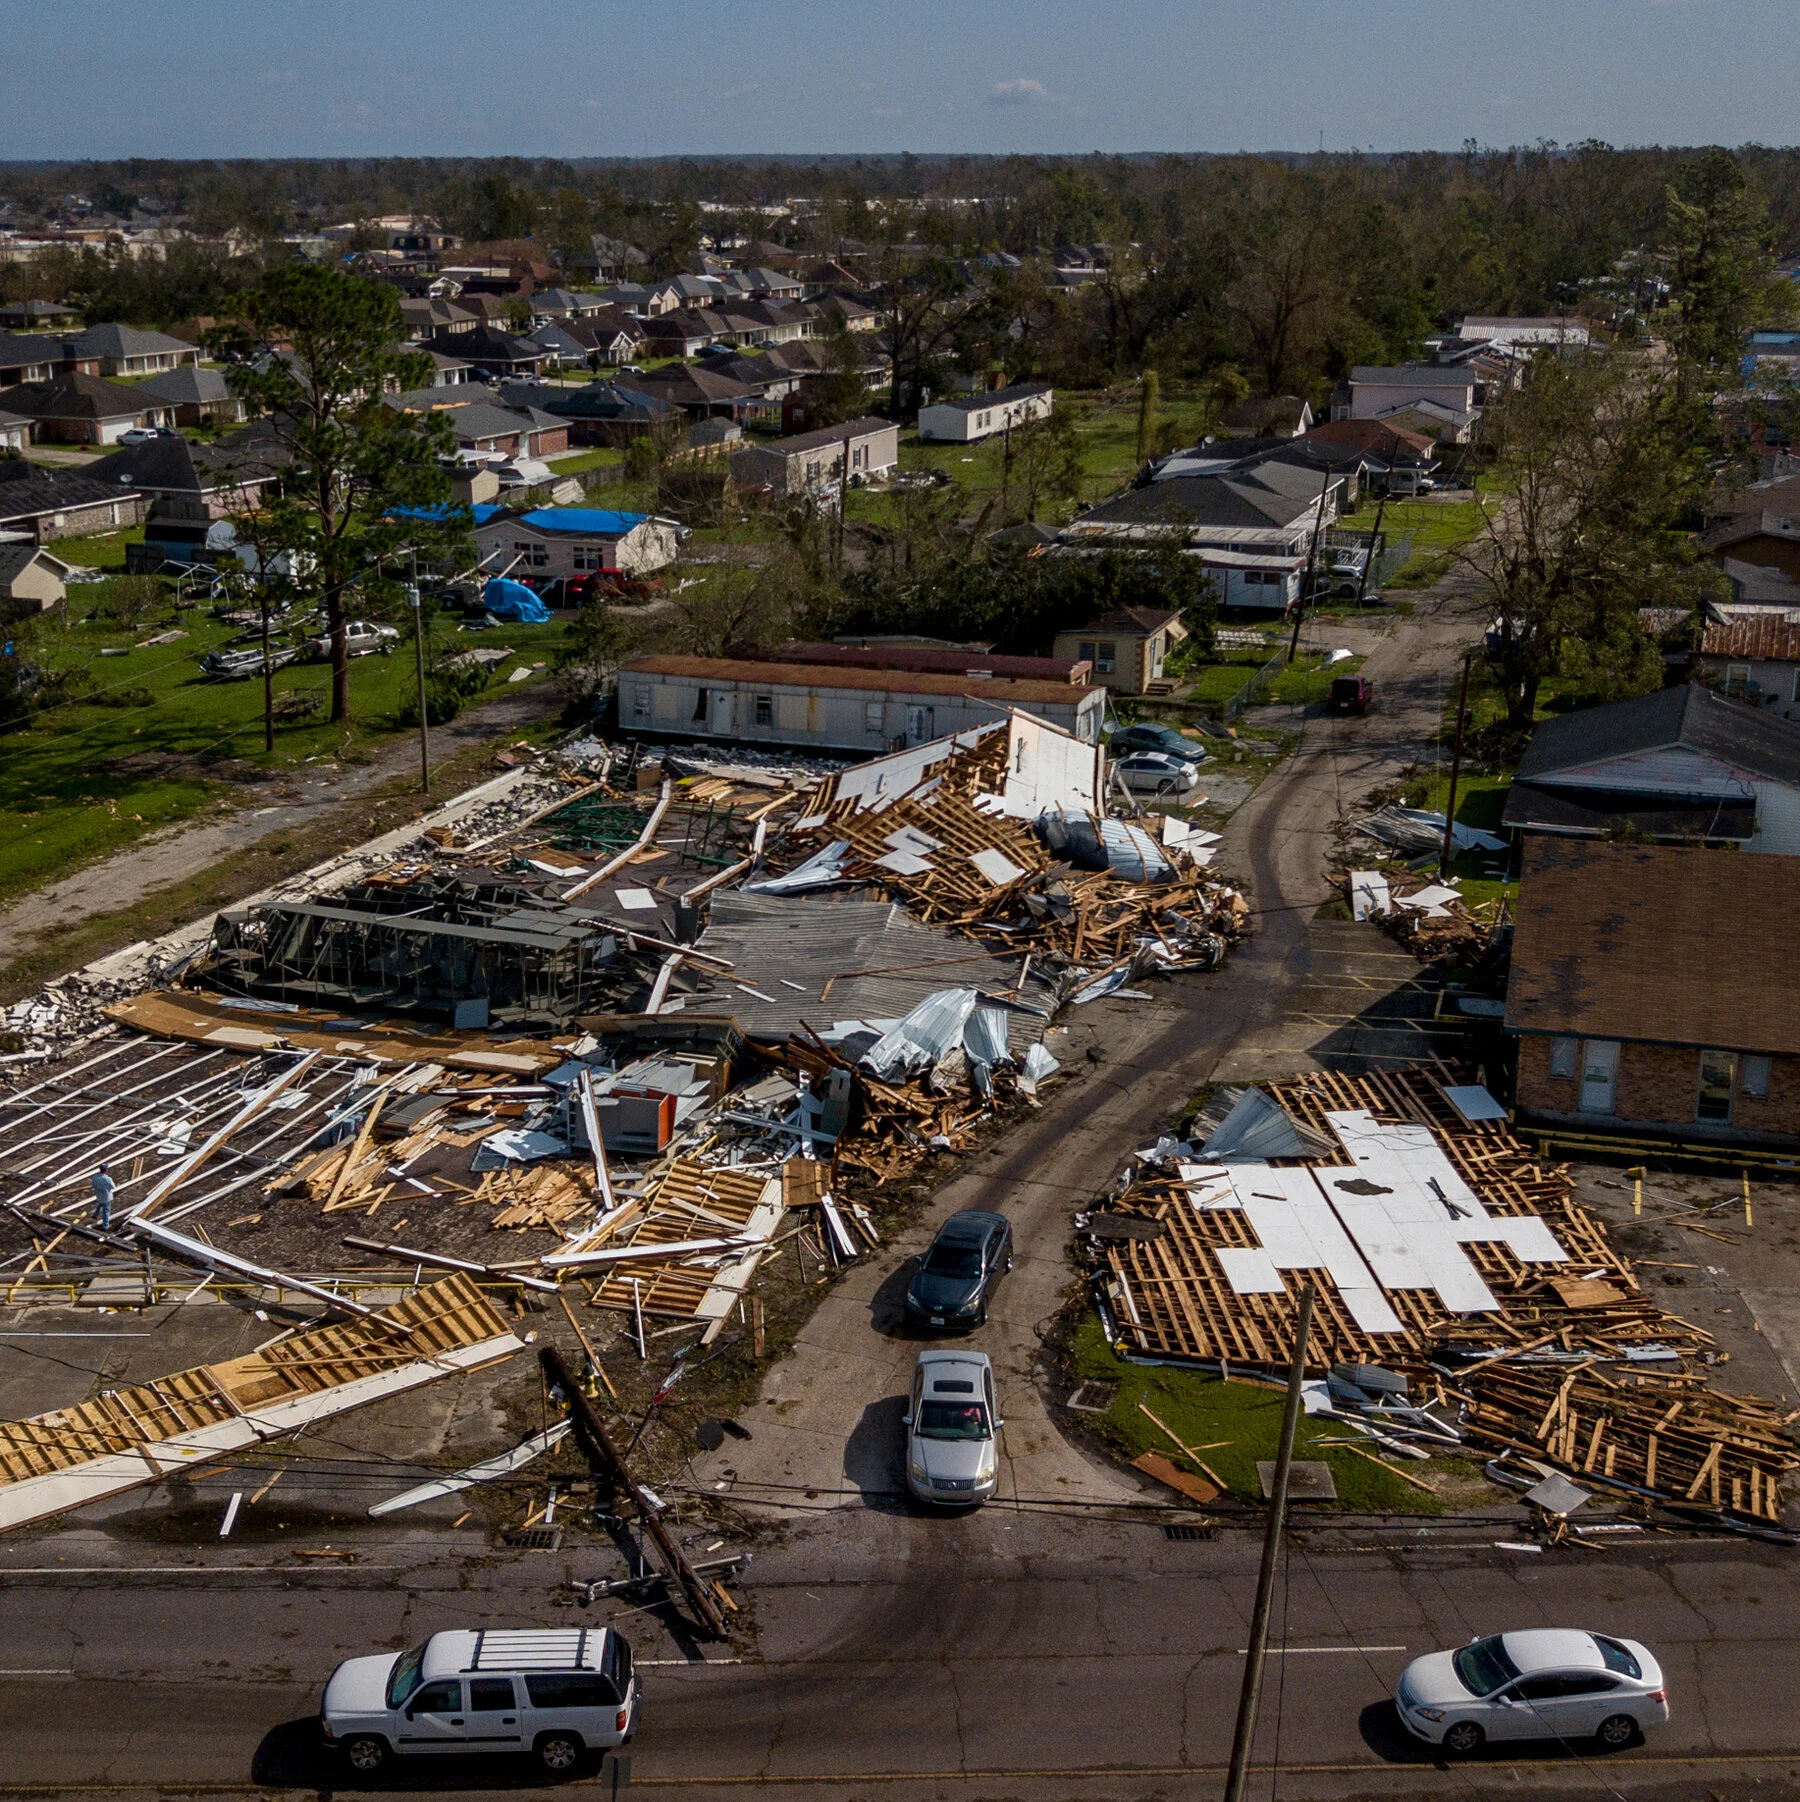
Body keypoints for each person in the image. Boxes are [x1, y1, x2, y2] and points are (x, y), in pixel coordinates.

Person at [90, 1165, 116, 1231]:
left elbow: (93, 1185)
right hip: (107, 1197)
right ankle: (105, 1226)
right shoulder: (108, 1179)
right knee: (106, 1212)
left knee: (100, 1204)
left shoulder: (95, 1177)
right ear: (106, 1170)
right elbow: (113, 1187)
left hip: (99, 1195)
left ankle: (95, 1215)